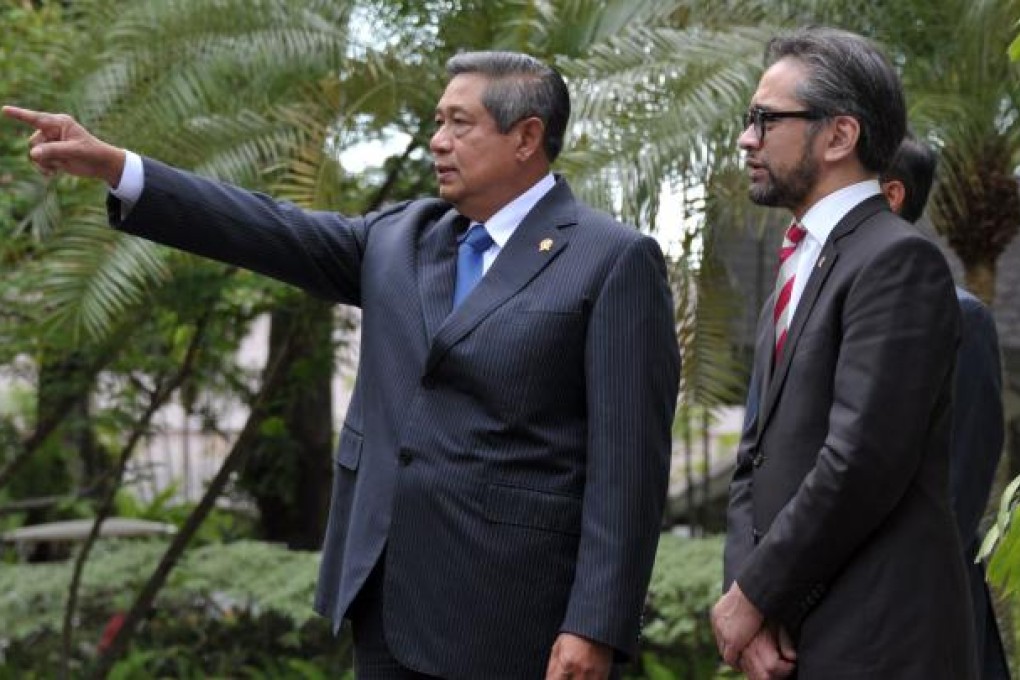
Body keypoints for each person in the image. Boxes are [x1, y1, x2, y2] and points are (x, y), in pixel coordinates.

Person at [4, 51, 681, 679]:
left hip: (514, 618)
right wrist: (117, 167)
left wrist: (594, 624)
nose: (436, 141)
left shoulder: (610, 260)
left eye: (458, 124)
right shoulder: (402, 238)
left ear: (526, 137)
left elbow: (629, 469)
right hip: (385, 602)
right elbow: (268, 226)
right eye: (435, 122)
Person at [712, 27, 977, 680]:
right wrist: (748, 596)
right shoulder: (801, 260)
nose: (747, 138)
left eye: (765, 119)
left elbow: (863, 459)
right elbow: (757, 454)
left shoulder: (897, 260)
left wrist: (755, 596)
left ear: (838, 136)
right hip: (793, 634)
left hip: (878, 639)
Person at [880, 136, 1010, 680]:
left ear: (890, 196)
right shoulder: (812, 306)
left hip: (921, 619)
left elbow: (962, 481)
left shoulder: (961, 319)